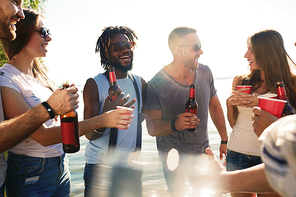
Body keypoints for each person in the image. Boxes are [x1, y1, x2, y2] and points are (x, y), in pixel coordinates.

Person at [0, 9, 134, 197]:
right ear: (22, 33)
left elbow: (53, 119)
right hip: (31, 172)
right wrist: (103, 119)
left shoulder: (40, 76)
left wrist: (66, 106)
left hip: (60, 166)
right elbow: (43, 136)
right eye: (43, 32)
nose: (49, 38)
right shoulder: (6, 78)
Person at [145, 26, 228, 194]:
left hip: (203, 152)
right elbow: (151, 128)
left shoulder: (205, 72)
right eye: (196, 47)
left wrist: (224, 140)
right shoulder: (156, 85)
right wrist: (175, 124)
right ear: (178, 50)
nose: (201, 51)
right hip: (173, 159)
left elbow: (215, 106)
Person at [226, 29, 296, 197]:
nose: (245, 55)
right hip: (237, 154)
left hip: (271, 156)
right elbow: (233, 124)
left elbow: (292, 124)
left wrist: (260, 102)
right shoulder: (241, 81)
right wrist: (229, 105)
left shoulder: (292, 83)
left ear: (265, 51)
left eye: (250, 49)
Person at [83, 26, 146, 197]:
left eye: (129, 45)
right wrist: (105, 117)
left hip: (132, 167)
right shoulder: (94, 84)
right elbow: (89, 134)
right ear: (106, 53)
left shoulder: (140, 83)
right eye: (118, 47)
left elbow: (144, 117)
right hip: (101, 168)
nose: (125, 50)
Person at [205, 113, 296, 197]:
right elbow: (288, 169)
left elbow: (287, 170)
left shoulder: (285, 130)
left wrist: (272, 132)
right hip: (237, 152)